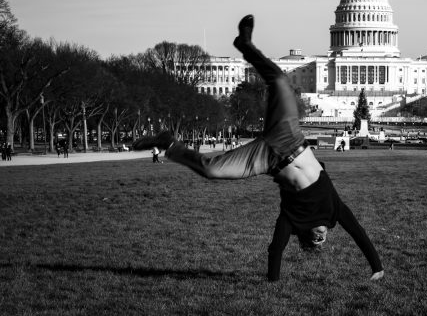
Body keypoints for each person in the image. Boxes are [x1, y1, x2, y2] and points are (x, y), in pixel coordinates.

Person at [133, 15, 383, 282]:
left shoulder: (293, 220)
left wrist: (272, 281)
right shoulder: (335, 211)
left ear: (307, 237)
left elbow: (276, 248)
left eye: (316, 241)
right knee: (280, 82)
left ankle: (167, 143)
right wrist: (377, 266)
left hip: (267, 159)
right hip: (290, 139)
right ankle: (246, 45)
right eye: (324, 239)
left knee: (211, 170)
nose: (321, 238)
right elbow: (358, 232)